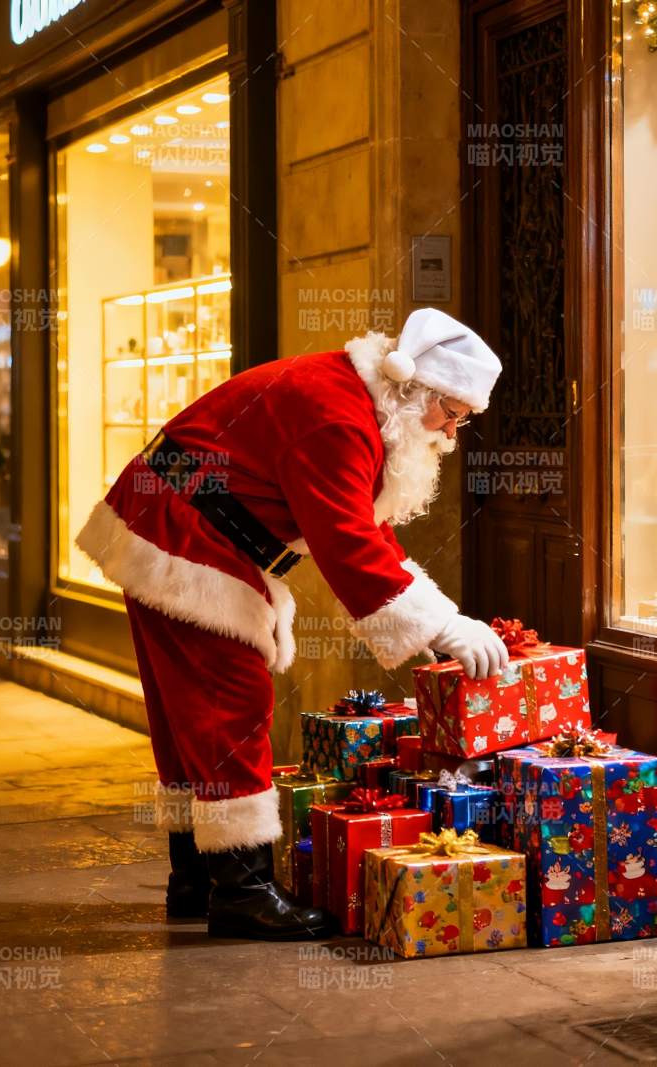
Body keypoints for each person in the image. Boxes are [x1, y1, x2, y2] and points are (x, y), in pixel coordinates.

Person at [76, 308, 512, 940]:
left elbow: (365, 525)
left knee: (187, 717)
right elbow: (348, 544)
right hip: (184, 541)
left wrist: (442, 616)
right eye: (451, 413)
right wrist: (444, 629)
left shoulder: (355, 401)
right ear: (413, 388)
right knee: (229, 706)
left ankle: (197, 879)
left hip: (166, 525)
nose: (449, 434)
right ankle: (241, 892)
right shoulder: (337, 418)